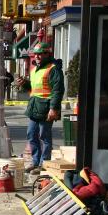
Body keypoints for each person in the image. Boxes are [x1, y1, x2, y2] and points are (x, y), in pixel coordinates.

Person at [17, 42, 64, 173]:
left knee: (44, 136)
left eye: (39, 54)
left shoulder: (53, 68)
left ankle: (44, 163)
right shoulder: (35, 69)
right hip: (35, 107)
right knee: (31, 135)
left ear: (47, 54)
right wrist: (25, 84)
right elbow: (34, 88)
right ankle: (36, 161)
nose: (37, 56)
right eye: (35, 54)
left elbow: (57, 90)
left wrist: (53, 108)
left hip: (47, 108)